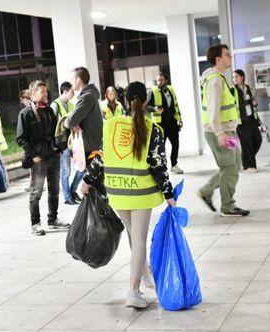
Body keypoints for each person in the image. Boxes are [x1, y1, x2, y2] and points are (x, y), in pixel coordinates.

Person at [80, 81, 175, 309]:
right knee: (139, 238)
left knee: (134, 235)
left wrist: (86, 180)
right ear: (146, 101)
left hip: (118, 193)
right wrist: (168, 192)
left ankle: (146, 272)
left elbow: (100, 157)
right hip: (141, 193)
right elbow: (158, 165)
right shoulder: (153, 129)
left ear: (125, 101)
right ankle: (133, 290)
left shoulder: (111, 125)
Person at [198, 44, 250, 217]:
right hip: (219, 131)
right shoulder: (215, 81)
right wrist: (219, 133)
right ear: (218, 59)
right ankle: (227, 206)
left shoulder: (219, 78)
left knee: (235, 165)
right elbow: (213, 110)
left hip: (228, 130)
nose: (230, 57)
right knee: (229, 167)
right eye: (227, 55)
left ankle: (207, 191)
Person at [16, 80, 69, 236]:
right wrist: (34, 155)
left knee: (54, 190)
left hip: (53, 156)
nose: (45, 94)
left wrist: (59, 147)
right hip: (39, 159)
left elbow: (55, 133)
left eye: (46, 91)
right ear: (33, 94)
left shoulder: (48, 111)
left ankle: (53, 219)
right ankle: (35, 224)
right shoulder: (25, 113)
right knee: (36, 193)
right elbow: (21, 138)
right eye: (42, 91)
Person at [51, 81, 83, 205]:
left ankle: (72, 191)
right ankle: (68, 197)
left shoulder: (71, 105)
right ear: (65, 92)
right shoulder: (55, 105)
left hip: (73, 141)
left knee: (81, 168)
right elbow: (53, 126)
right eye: (71, 91)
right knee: (66, 171)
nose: (73, 93)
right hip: (62, 143)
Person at [64, 67, 103, 164]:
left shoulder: (87, 97)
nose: (71, 82)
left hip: (91, 147)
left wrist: (68, 120)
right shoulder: (89, 95)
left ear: (78, 80)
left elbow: (69, 122)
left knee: (91, 178)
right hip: (94, 145)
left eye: (72, 79)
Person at [147, 72, 184, 174]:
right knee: (160, 147)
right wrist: (154, 109)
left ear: (165, 81)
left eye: (161, 80)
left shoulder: (170, 90)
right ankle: (160, 168)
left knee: (176, 144)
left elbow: (176, 105)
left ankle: (174, 165)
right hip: (160, 124)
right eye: (158, 80)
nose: (159, 82)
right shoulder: (153, 91)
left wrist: (180, 119)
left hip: (172, 122)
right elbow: (146, 106)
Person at [232, 69, 262, 173]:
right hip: (241, 121)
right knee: (246, 143)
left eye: (236, 77)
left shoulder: (247, 88)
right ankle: (249, 167)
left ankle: (244, 161)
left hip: (251, 119)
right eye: (233, 77)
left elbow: (251, 100)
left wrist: (254, 102)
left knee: (258, 140)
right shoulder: (233, 90)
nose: (234, 79)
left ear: (242, 77)